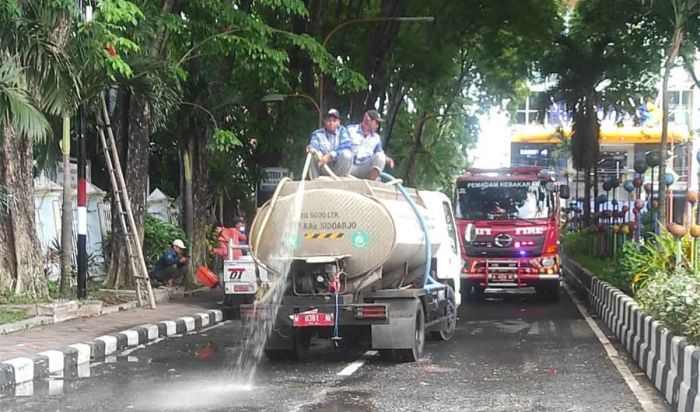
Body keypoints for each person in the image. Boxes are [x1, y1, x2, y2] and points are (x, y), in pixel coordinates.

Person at [347, 110, 395, 180]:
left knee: (380, 157)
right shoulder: (350, 130)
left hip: (364, 167)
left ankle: (370, 184)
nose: (377, 126)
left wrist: (388, 160)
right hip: (348, 165)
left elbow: (380, 153)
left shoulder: (376, 138)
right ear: (367, 120)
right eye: (376, 122)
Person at [307, 108, 353, 178]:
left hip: (338, 168)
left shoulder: (342, 131)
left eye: (334, 121)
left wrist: (330, 155)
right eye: (329, 120)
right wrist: (314, 150)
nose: (331, 123)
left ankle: (341, 181)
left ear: (338, 122)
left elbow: (346, 145)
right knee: (311, 155)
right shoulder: (317, 134)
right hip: (322, 166)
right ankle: (315, 181)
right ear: (324, 121)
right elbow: (314, 145)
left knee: (347, 154)